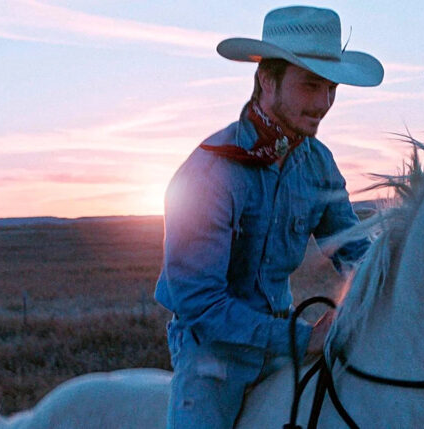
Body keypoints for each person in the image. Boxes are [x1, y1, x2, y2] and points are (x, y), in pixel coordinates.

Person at [153, 5, 384, 429]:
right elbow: (200, 305)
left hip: (284, 345)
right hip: (213, 356)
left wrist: (390, 289)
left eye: (331, 88)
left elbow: (352, 247)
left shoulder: (317, 163)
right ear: (266, 80)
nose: (323, 104)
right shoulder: (209, 173)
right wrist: (302, 338)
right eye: (310, 86)